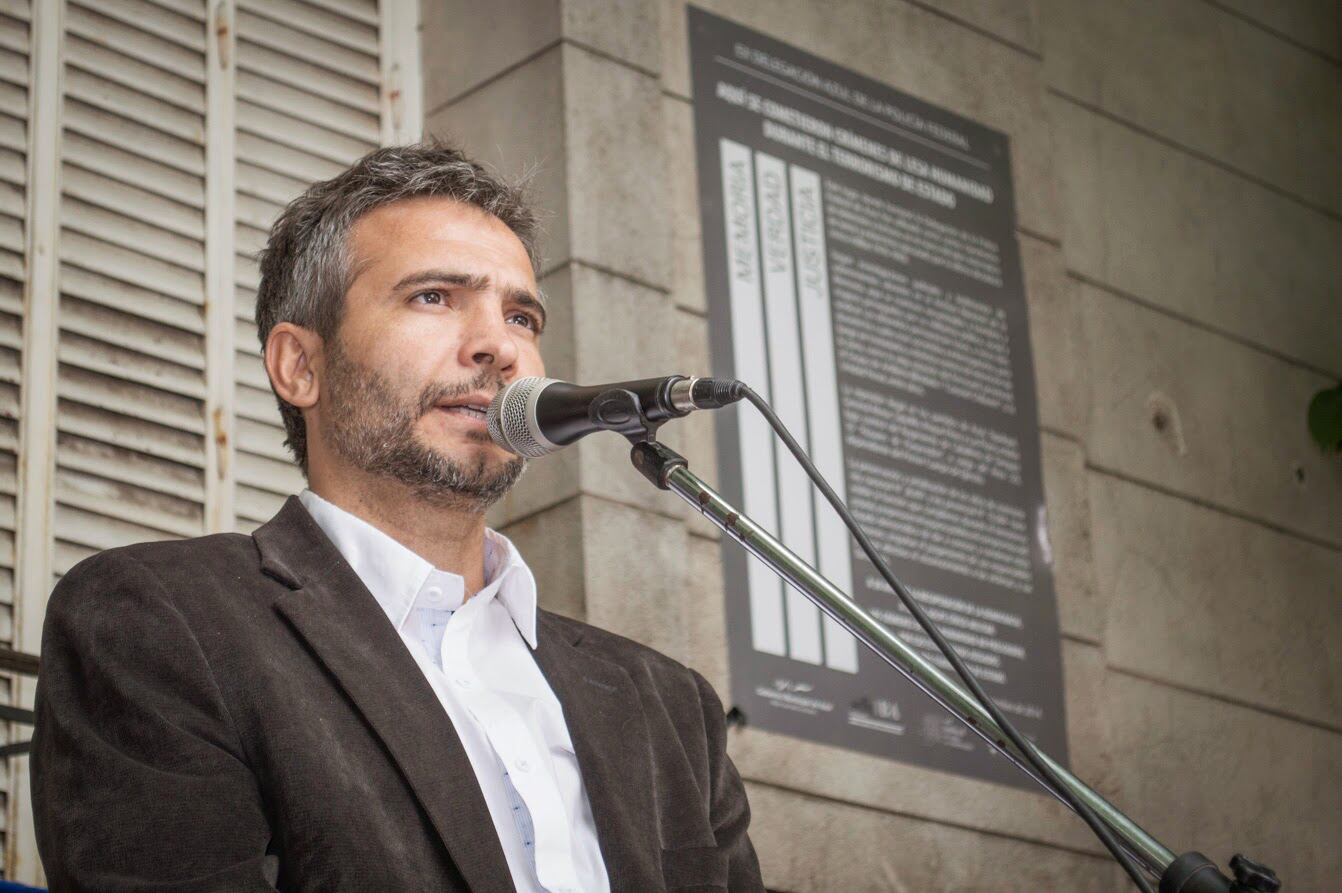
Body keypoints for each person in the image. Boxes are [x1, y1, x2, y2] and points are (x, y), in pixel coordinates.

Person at [31, 142, 764, 892]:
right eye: (434, 297)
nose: (499, 346)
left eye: (521, 315)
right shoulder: (158, 621)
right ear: (300, 366)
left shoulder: (671, 707)